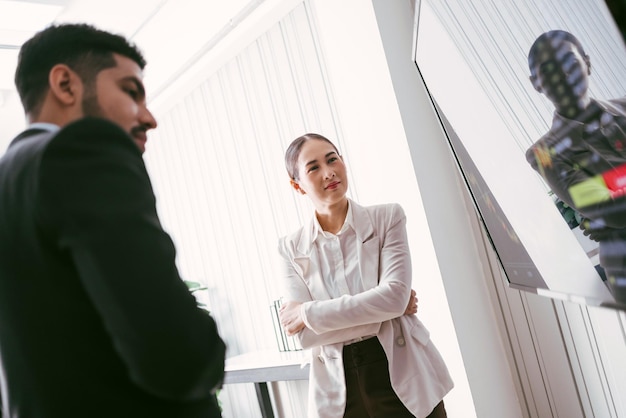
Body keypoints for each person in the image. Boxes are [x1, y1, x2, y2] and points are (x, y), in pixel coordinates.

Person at [0, 24, 226, 417]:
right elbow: (179, 359)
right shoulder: (86, 150)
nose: (149, 117)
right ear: (65, 85)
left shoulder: (10, 182)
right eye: (131, 91)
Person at [277, 133, 453, 417]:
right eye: (314, 167)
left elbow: (394, 298)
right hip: (340, 389)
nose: (329, 171)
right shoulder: (289, 248)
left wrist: (308, 313)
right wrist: (381, 309)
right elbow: (307, 337)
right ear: (297, 185)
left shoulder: (388, 218)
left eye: (332, 159)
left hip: (402, 370)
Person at [525, 29, 626, 304]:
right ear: (536, 83)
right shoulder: (542, 154)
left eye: (568, 61)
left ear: (587, 63)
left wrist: (611, 190)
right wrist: (606, 210)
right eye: (548, 70)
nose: (562, 74)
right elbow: (607, 208)